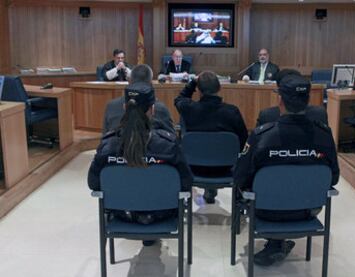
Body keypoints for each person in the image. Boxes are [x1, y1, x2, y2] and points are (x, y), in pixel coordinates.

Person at [234, 74, 339, 266]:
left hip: (265, 210)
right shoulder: (324, 135)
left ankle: (276, 244)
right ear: (307, 101)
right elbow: (333, 178)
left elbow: (240, 177)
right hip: (308, 209)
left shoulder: (262, 136)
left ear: (280, 100)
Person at [88, 82, 192, 246]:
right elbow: (186, 183)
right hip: (163, 213)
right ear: (152, 110)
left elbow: (94, 183)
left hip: (122, 213)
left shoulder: (107, 146)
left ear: (124, 107)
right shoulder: (169, 145)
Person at [175, 71, 248, 204]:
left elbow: (179, 99)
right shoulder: (232, 112)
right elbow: (243, 141)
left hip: (193, 166)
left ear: (199, 89)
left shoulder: (189, 109)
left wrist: (192, 83)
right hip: (227, 167)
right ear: (219, 88)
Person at [102, 64, 174, 134]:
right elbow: (172, 140)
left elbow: (105, 138)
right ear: (151, 84)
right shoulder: (160, 108)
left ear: (129, 81)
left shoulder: (112, 106)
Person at [256, 69, 328, 126]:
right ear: (308, 98)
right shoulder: (320, 113)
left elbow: (256, 143)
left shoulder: (267, 116)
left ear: (280, 97)